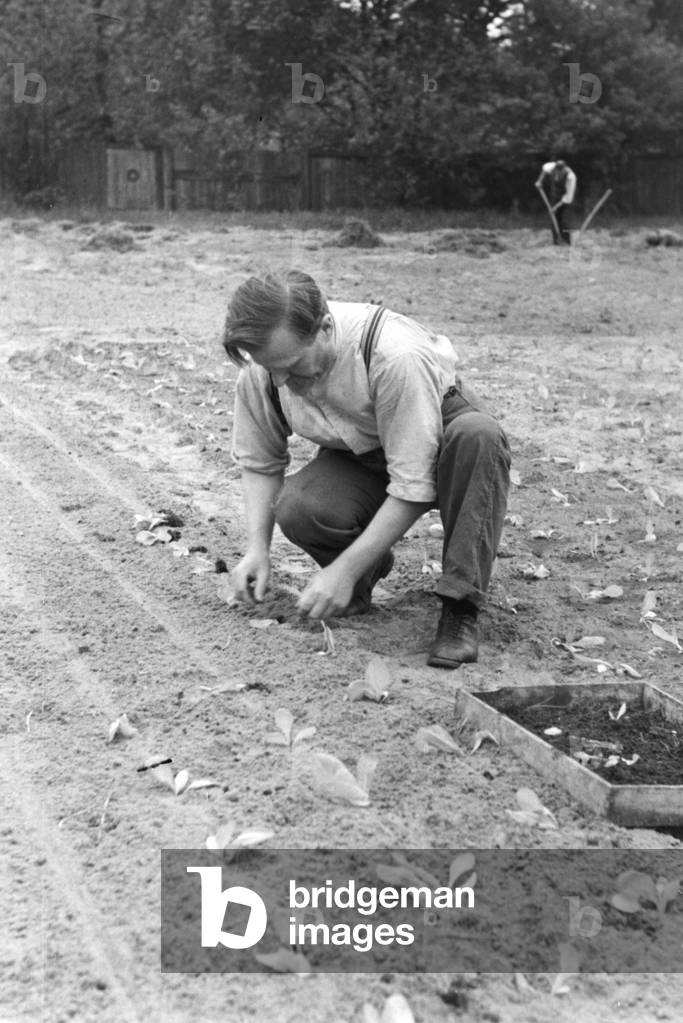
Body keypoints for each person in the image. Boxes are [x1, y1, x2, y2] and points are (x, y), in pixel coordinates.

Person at [222, 271, 511, 669]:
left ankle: (460, 609)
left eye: (292, 366)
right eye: (272, 369)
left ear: (325, 328)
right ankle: (359, 580)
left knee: (479, 437)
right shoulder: (268, 367)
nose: (281, 380)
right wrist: (258, 549)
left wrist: (342, 567)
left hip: (443, 442)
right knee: (299, 505)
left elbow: (414, 482)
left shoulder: (393, 355)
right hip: (363, 450)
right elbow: (259, 462)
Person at [535, 158, 577, 244]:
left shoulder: (570, 177)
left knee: (564, 220)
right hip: (555, 196)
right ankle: (556, 241)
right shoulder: (552, 167)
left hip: (566, 199)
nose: (557, 173)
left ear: (564, 169)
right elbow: (545, 170)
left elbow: (568, 197)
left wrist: (555, 207)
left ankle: (567, 242)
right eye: (556, 170)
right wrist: (539, 181)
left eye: (560, 172)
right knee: (554, 219)